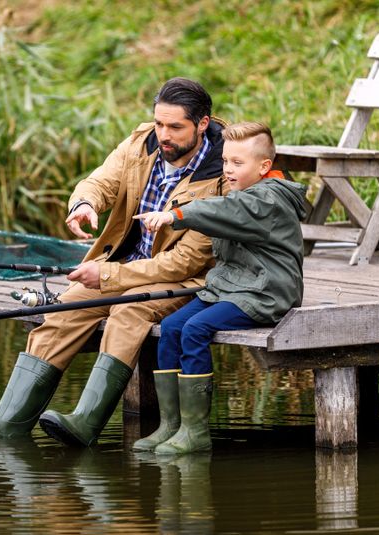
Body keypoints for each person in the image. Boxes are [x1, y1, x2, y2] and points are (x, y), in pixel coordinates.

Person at [0, 78, 228, 446]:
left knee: (128, 314)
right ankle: (8, 420)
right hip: (123, 268)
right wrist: (83, 204)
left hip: (185, 280)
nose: (164, 135)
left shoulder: (222, 174)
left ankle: (87, 421)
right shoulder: (141, 144)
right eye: (160, 123)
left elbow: (186, 262)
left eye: (175, 127)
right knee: (66, 308)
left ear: (202, 124)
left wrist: (108, 274)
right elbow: (100, 181)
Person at [131, 122, 308, 454]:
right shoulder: (243, 190)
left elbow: (227, 210)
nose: (228, 169)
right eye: (226, 161)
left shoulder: (268, 199)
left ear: (264, 167)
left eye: (237, 163)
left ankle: (196, 432)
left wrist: (176, 215)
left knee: (196, 328)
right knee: (171, 327)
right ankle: (171, 425)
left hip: (267, 293)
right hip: (232, 287)